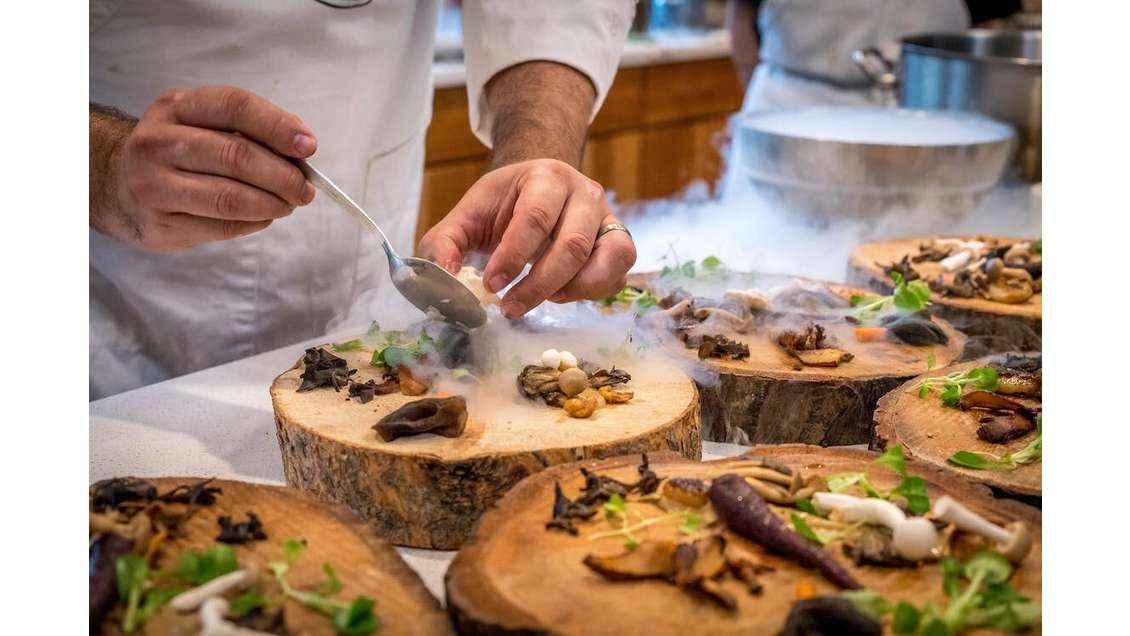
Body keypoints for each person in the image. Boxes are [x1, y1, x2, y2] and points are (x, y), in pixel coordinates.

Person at [89, 1, 638, 399]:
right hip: (124, 347)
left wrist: (536, 156)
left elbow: (552, 13)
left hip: (361, 305)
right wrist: (106, 165)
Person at [726, 0, 1024, 112]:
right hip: (789, 104)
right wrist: (750, 110)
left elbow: (984, 30)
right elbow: (741, 18)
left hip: (920, 115)